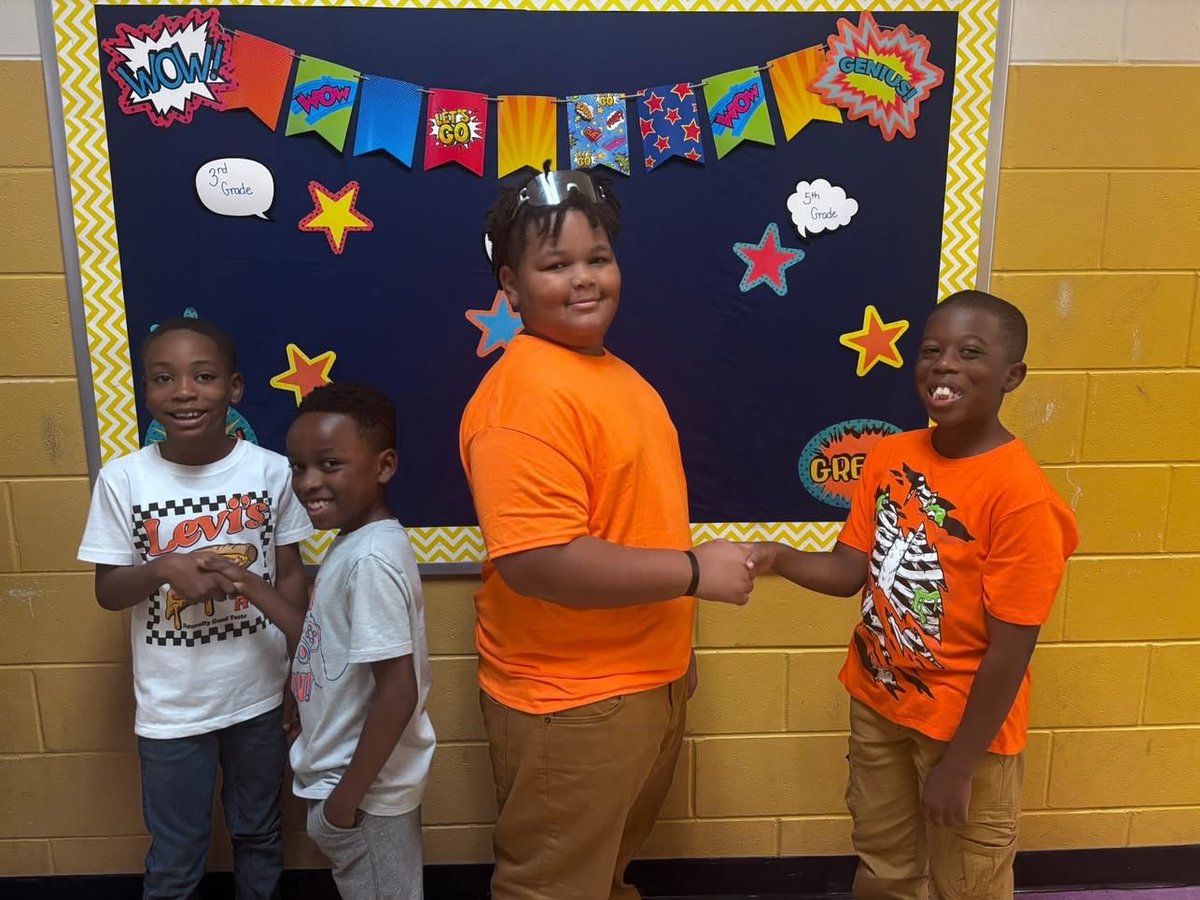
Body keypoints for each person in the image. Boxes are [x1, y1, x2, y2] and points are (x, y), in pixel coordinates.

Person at [459, 166, 757, 900]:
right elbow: (540, 562)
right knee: (555, 888)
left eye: (598, 258)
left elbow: (631, 524)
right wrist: (694, 575)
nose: (584, 280)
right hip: (572, 702)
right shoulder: (522, 397)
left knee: (605, 875)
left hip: (642, 680)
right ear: (512, 283)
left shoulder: (613, 375)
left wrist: (672, 650)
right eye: (555, 266)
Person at [748, 291, 1079, 899]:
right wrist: (777, 558)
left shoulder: (1020, 497)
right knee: (884, 866)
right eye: (932, 351)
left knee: (968, 882)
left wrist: (959, 766)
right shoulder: (890, 454)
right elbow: (851, 571)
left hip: (965, 732)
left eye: (970, 353)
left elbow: (1010, 652)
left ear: (1013, 376)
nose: (944, 365)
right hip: (879, 703)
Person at [78, 317, 311, 899]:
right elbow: (108, 592)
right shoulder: (123, 479)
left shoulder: (270, 470)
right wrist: (162, 568)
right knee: (178, 855)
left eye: (203, 377)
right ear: (147, 391)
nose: (184, 392)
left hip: (258, 693)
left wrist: (298, 676)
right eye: (164, 379)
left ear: (234, 388)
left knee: (258, 831)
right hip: (171, 707)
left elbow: (289, 574)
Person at [203, 382, 434, 900]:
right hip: (350, 785)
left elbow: (398, 691)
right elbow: (315, 633)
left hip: (364, 792)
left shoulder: (370, 561)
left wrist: (344, 803)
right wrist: (246, 583)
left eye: (330, 465)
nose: (308, 483)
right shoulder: (353, 544)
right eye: (298, 467)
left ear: (384, 466)